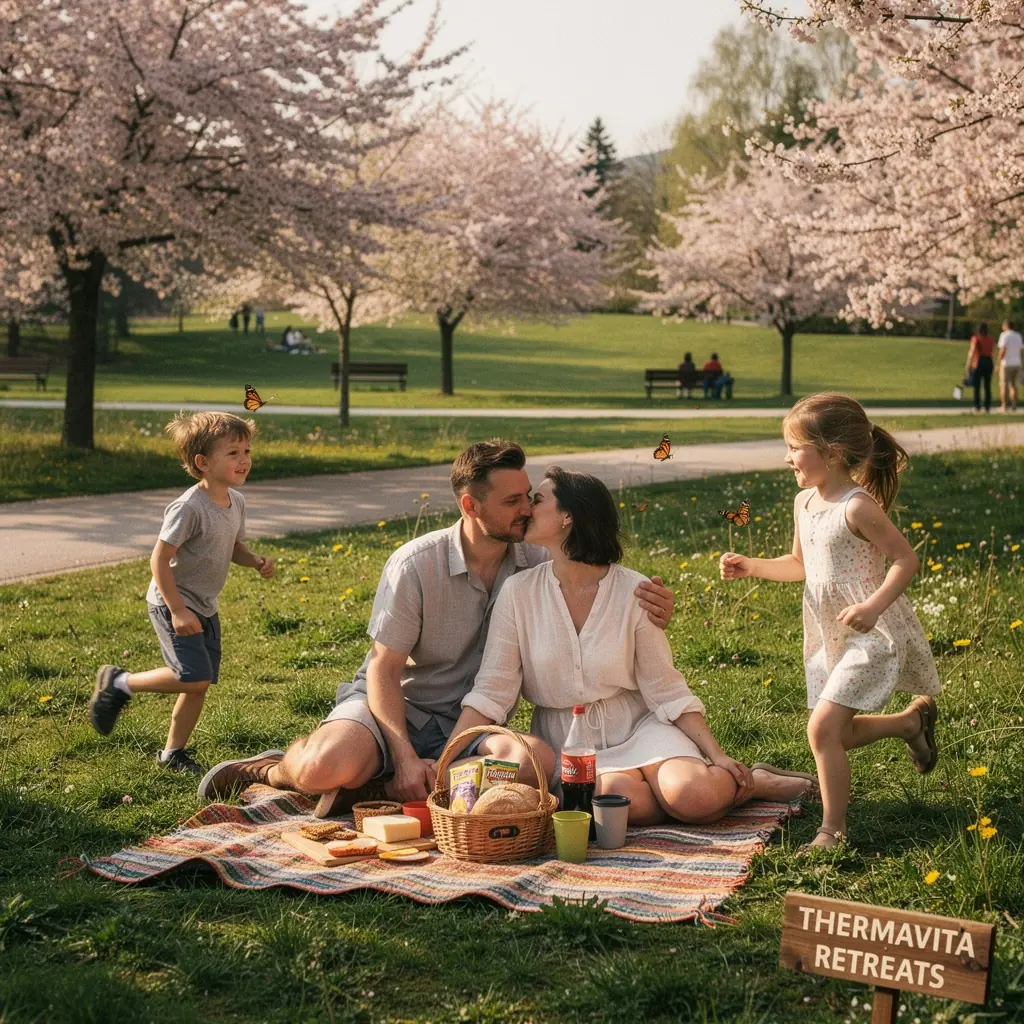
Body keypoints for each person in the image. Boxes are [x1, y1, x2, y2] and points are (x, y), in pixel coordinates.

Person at [197, 441, 676, 815]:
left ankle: (375, 791)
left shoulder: (535, 554)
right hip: (393, 709)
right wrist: (404, 755)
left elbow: (598, 581)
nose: (527, 510)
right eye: (512, 502)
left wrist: (654, 604)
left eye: (528, 497)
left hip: (475, 723)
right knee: (325, 766)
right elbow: (384, 669)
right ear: (470, 506)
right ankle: (276, 769)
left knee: (537, 765)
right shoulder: (415, 565)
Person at [455, 466, 816, 827]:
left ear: (568, 517)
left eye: (537, 500)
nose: (526, 510)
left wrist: (716, 754)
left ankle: (750, 782)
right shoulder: (518, 594)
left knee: (695, 795)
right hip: (573, 744)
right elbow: (492, 690)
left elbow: (665, 686)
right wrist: (446, 760)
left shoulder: (634, 590)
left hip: (640, 726)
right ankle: (669, 792)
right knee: (618, 805)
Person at [719, 394, 941, 851]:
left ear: (833, 453)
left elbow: (905, 559)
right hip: (829, 634)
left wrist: (873, 607)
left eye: (795, 447)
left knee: (821, 731)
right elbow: (799, 564)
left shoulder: (857, 507)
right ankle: (909, 725)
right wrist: (752, 565)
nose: (787, 457)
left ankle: (833, 831)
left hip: (870, 632)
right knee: (838, 732)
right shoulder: (804, 503)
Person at [89, 412, 275, 774]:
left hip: (203, 605)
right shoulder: (189, 507)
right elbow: (159, 560)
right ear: (203, 463)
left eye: (247, 450)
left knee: (197, 685)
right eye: (233, 453)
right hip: (173, 601)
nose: (244, 460)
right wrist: (177, 609)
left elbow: (233, 545)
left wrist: (254, 560)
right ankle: (119, 682)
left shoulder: (235, 502)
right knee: (194, 676)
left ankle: (173, 752)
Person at [966, 322, 996, 413]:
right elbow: (993, 350)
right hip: (988, 361)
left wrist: (968, 365)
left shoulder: (976, 339)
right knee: (987, 385)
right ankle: (987, 405)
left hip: (979, 361)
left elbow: (972, 352)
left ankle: (977, 405)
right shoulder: (991, 339)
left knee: (977, 386)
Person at [997, 319, 1022, 413]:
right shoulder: (1018, 336)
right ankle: (1014, 405)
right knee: (1014, 385)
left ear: (1006, 326)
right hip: (1017, 363)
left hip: (1006, 363)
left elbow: (1002, 350)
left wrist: (998, 363)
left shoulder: (1004, 335)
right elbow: (1020, 350)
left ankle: (1004, 406)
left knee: (1004, 385)